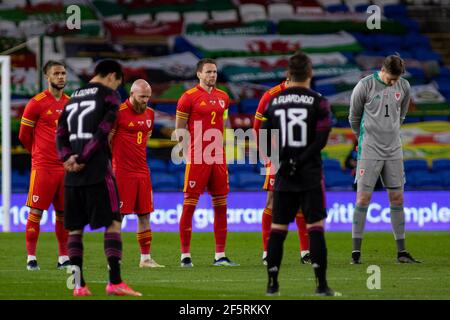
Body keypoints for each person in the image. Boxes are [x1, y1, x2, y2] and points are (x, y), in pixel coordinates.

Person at [56, 59, 141, 297]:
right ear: (113, 76)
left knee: (74, 230)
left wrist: (67, 159)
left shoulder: (72, 97)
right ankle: (114, 282)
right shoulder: (109, 96)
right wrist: (82, 158)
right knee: (114, 222)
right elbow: (103, 131)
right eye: (118, 84)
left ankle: (78, 285)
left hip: (71, 175)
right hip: (96, 171)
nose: (117, 89)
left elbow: (60, 133)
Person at [262, 52, 339, 296]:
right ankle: (321, 285)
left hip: (283, 173)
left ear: (288, 74)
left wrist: (281, 161)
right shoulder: (319, 101)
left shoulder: (274, 102)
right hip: (310, 173)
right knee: (314, 227)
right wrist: (300, 159)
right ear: (310, 73)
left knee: (278, 228)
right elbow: (321, 139)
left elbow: (264, 139)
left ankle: (272, 285)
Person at [349, 54, 420, 264]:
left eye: (396, 79)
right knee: (363, 199)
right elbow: (353, 116)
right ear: (382, 69)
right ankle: (356, 253)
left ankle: (402, 252)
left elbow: (403, 113)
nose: (392, 82)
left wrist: (391, 132)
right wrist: (362, 138)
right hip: (369, 150)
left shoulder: (404, 86)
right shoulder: (364, 86)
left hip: (394, 151)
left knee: (397, 199)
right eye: (390, 78)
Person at [175, 58, 238, 267]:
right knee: (189, 206)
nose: (213, 75)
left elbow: (224, 123)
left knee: (221, 206)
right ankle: (185, 255)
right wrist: (186, 153)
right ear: (199, 74)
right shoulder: (188, 98)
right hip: (198, 157)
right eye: (209, 72)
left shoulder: (223, 97)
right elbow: (180, 127)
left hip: (218, 158)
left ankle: (220, 255)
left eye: (215, 72)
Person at [19, 60, 70, 271]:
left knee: (64, 214)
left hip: (65, 168)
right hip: (43, 168)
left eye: (64, 73)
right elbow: (24, 136)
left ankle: (63, 257)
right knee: (36, 212)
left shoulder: (71, 103)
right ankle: (31, 257)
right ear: (47, 77)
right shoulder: (36, 103)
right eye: (56, 73)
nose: (61, 77)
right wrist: (38, 154)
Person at [254, 80, 311, 266]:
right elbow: (257, 128)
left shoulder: (305, 94)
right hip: (277, 155)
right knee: (272, 200)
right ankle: (266, 251)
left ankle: (305, 252)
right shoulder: (270, 95)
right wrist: (265, 155)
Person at [109, 79, 164, 268]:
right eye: (142, 97)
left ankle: (146, 259)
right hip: (121, 172)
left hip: (142, 171)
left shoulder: (150, 113)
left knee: (145, 215)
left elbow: (145, 138)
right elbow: (107, 140)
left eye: (148, 97)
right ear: (131, 94)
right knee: (119, 216)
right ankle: (113, 259)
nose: (145, 101)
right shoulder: (118, 113)